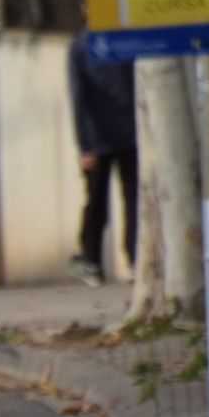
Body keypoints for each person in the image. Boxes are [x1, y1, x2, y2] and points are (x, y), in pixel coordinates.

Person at [68, 28, 136, 288]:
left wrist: (85, 144)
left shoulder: (80, 45)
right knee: (130, 200)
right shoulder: (125, 39)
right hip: (128, 135)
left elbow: (78, 95)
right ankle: (133, 259)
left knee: (97, 202)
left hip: (100, 139)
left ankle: (92, 261)